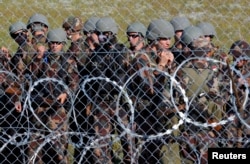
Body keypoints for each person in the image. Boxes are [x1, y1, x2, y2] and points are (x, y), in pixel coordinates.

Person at [176, 25, 226, 163]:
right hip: (203, 127)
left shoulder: (181, 70)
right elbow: (217, 100)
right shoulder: (209, 73)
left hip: (192, 126)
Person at [84, 16, 130, 163]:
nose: (101, 37)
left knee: (129, 143)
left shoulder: (122, 51)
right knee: (100, 145)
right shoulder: (96, 54)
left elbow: (122, 78)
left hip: (119, 101)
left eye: (105, 34)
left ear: (112, 34)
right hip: (101, 101)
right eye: (99, 34)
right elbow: (93, 79)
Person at [27, 28, 72, 164]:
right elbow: (32, 76)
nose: (54, 45)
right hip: (40, 107)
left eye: (57, 43)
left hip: (57, 109)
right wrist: (39, 58)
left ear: (63, 44)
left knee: (58, 148)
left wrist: (66, 92)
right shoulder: (43, 58)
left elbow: (74, 82)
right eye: (52, 43)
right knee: (34, 146)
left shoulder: (67, 61)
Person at [62, 15, 96, 164]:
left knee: (81, 131)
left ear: (70, 30)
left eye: (66, 29)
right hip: (79, 94)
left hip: (80, 95)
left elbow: (79, 71)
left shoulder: (78, 47)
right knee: (80, 132)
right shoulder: (80, 46)